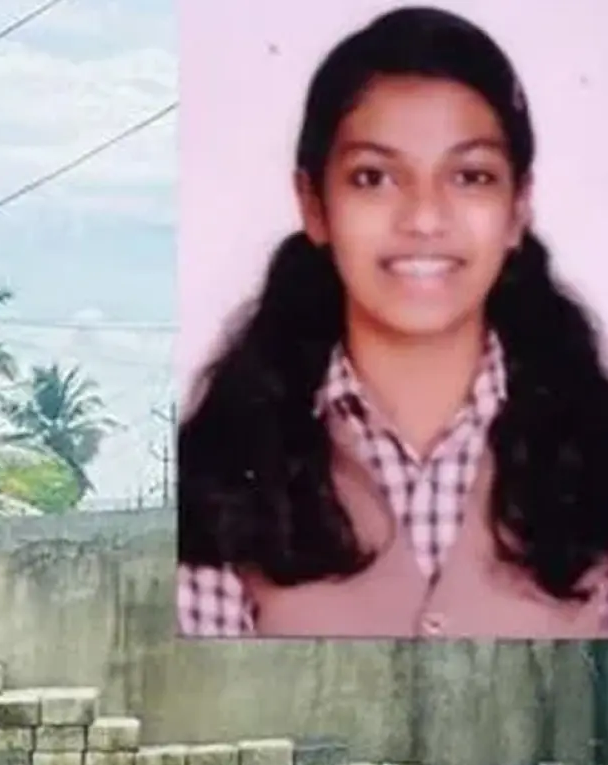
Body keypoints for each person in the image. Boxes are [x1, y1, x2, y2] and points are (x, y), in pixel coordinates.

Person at [174, 5, 608, 639]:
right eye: (374, 178)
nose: (425, 218)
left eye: (470, 176)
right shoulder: (219, 474)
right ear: (314, 205)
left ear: (518, 208)